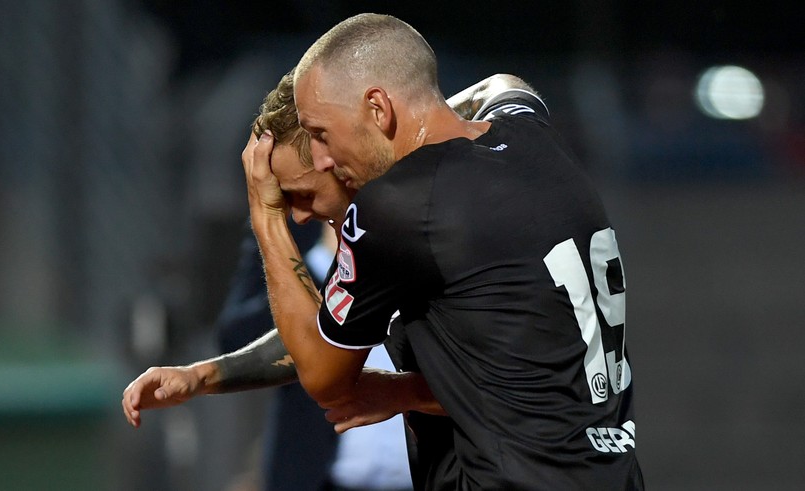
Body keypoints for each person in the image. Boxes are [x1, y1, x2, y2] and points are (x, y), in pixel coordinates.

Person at [242, 13, 644, 490]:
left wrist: (267, 216)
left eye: (323, 133)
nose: (324, 158)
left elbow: (324, 376)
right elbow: (504, 85)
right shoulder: (532, 134)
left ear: (377, 108)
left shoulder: (398, 205)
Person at [124, 69, 521, 490]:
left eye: (302, 193)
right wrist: (201, 376)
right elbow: (284, 334)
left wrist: (401, 394)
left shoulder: (438, 222)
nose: (297, 214)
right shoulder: (341, 238)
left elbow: (503, 384)